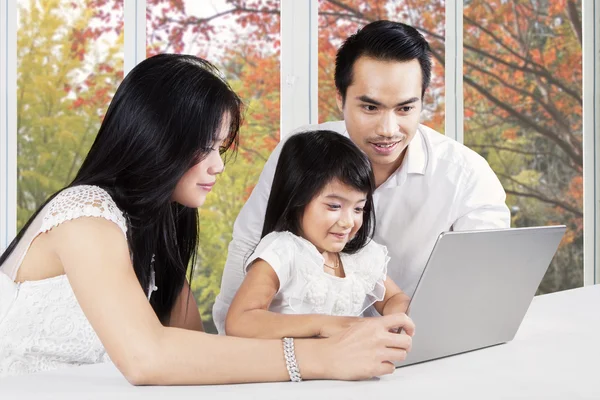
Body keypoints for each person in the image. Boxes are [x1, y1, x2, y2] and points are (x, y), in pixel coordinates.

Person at [0, 54, 415, 383]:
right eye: (206, 147)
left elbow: (192, 348)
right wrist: (321, 357)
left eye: (221, 148)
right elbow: (148, 358)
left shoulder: (159, 224)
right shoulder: (84, 214)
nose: (218, 166)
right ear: (155, 140)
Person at [213, 20, 511, 334]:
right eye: (370, 107)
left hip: (411, 350)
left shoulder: (468, 176)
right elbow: (248, 243)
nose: (388, 129)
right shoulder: (304, 153)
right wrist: (228, 344)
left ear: (423, 101)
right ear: (341, 98)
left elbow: (485, 288)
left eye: (405, 108)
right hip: (286, 352)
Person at [225, 131, 410, 339]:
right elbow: (240, 320)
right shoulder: (283, 250)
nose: (348, 222)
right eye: (334, 206)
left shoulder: (360, 256)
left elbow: (394, 298)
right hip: (293, 369)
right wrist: (325, 324)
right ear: (297, 199)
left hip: (347, 368)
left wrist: (399, 319)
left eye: (358, 209)